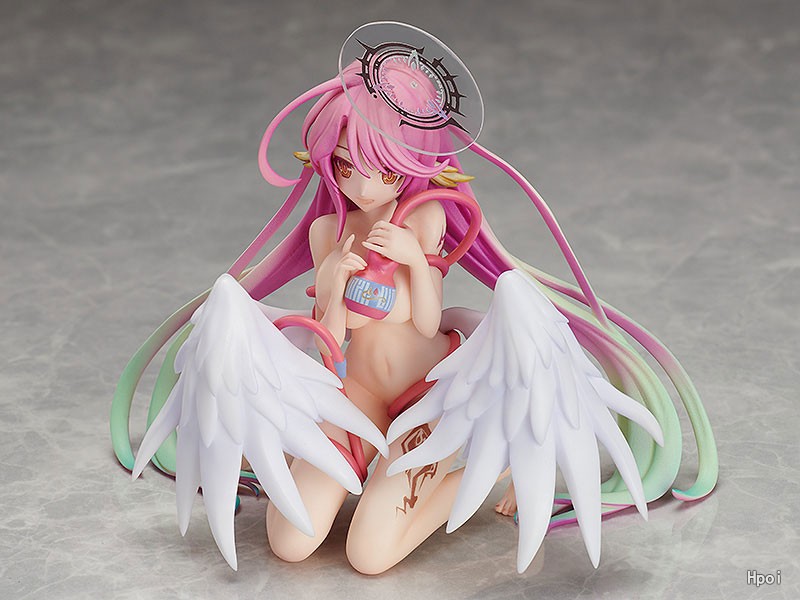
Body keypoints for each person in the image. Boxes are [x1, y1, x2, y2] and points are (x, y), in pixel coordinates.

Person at [111, 23, 717, 575]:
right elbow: (330, 339)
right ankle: (349, 467)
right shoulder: (327, 232)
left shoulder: (423, 221)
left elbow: (427, 321)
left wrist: (413, 261)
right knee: (291, 542)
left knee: (369, 555)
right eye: (344, 166)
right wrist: (331, 284)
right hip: (352, 394)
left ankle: (485, 466)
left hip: (425, 397)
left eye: (382, 169)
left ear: (410, 165)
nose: (360, 183)